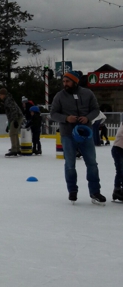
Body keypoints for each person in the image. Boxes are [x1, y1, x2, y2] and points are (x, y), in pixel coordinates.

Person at [50, 72, 105, 204]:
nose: (65, 84)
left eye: (67, 81)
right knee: (70, 164)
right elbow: (53, 114)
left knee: (92, 163)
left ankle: (95, 191)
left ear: (75, 82)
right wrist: (66, 118)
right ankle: (72, 191)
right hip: (68, 134)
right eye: (63, 82)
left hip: (86, 134)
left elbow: (95, 110)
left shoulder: (88, 93)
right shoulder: (59, 96)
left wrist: (87, 118)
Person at [0, 88, 24, 157]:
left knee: (12, 133)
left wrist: (15, 120)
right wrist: (9, 124)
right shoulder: (7, 100)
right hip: (16, 117)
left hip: (16, 117)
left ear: (3, 95)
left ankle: (14, 149)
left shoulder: (8, 100)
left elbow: (13, 110)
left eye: (0, 95)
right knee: (14, 133)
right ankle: (17, 148)